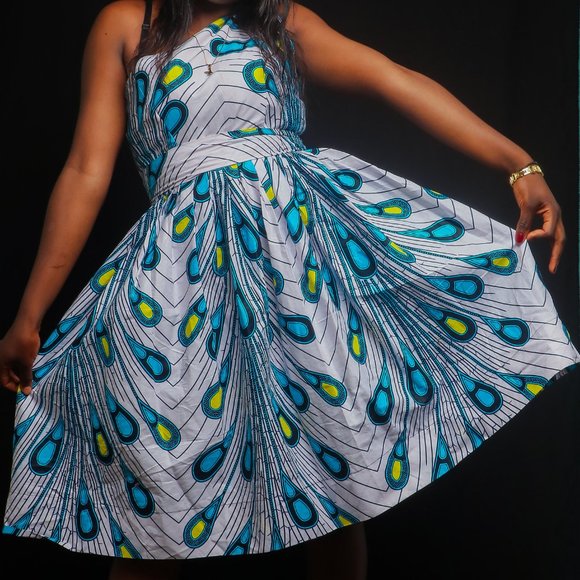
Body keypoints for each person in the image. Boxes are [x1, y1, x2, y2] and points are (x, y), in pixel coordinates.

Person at [1, 0, 579, 578]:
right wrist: (30, 316)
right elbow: (85, 170)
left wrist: (521, 166)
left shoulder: (281, 20)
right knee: (157, 505)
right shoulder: (128, 24)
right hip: (181, 286)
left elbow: (392, 79)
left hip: (298, 268)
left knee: (338, 482)